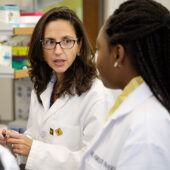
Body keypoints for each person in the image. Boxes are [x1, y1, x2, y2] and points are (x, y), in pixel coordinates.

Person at [0, 7, 115, 170]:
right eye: (50, 42)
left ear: (79, 45)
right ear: (41, 47)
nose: (58, 51)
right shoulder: (42, 86)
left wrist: (34, 150)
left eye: (67, 41)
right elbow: (36, 136)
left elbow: (96, 162)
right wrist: (14, 144)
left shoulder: (96, 94)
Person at [79, 0, 170, 170]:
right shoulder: (130, 106)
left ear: (117, 54)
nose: (94, 59)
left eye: (98, 48)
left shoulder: (147, 127)